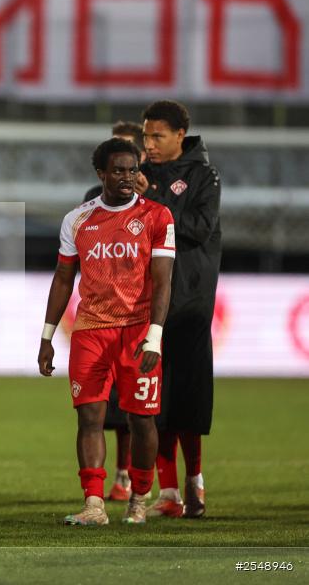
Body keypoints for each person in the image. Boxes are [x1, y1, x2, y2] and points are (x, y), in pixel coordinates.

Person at [38, 138, 175, 525]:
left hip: (137, 332)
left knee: (142, 420)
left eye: (133, 170)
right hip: (91, 331)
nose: (127, 178)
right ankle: (94, 504)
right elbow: (63, 277)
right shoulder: (77, 220)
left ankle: (139, 498)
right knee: (89, 418)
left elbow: (163, 282)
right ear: (101, 174)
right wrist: (47, 336)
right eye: (118, 171)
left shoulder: (157, 216)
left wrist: (154, 336)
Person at [140, 100, 222, 519]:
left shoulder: (203, 176)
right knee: (154, 400)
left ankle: (195, 483)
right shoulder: (141, 173)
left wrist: (152, 197)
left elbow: (198, 228)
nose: (149, 144)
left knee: (188, 399)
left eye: (157, 136)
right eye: (145, 136)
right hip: (147, 302)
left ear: (179, 135)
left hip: (189, 301)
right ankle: (168, 491)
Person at [81, 120, 148, 501]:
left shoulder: (153, 207)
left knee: (134, 408)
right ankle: (98, 489)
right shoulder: (90, 203)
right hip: (100, 317)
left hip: (136, 319)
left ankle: (129, 478)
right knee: (95, 409)